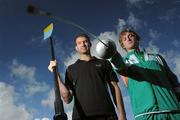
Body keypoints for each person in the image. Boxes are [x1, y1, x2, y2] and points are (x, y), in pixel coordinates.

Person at [48, 34, 126, 120]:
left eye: (85, 41)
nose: (83, 44)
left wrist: (122, 115)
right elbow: (67, 98)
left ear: (90, 44)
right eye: (79, 43)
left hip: (107, 115)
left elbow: (115, 88)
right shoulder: (71, 69)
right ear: (76, 48)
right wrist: (56, 74)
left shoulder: (104, 63)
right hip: (80, 117)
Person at [108, 28, 180, 120]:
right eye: (124, 39)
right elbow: (120, 67)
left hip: (173, 110)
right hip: (146, 114)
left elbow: (173, 81)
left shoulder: (157, 57)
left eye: (131, 36)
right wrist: (111, 53)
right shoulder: (123, 61)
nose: (128, 39)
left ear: (137, 39)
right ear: (123, 45)